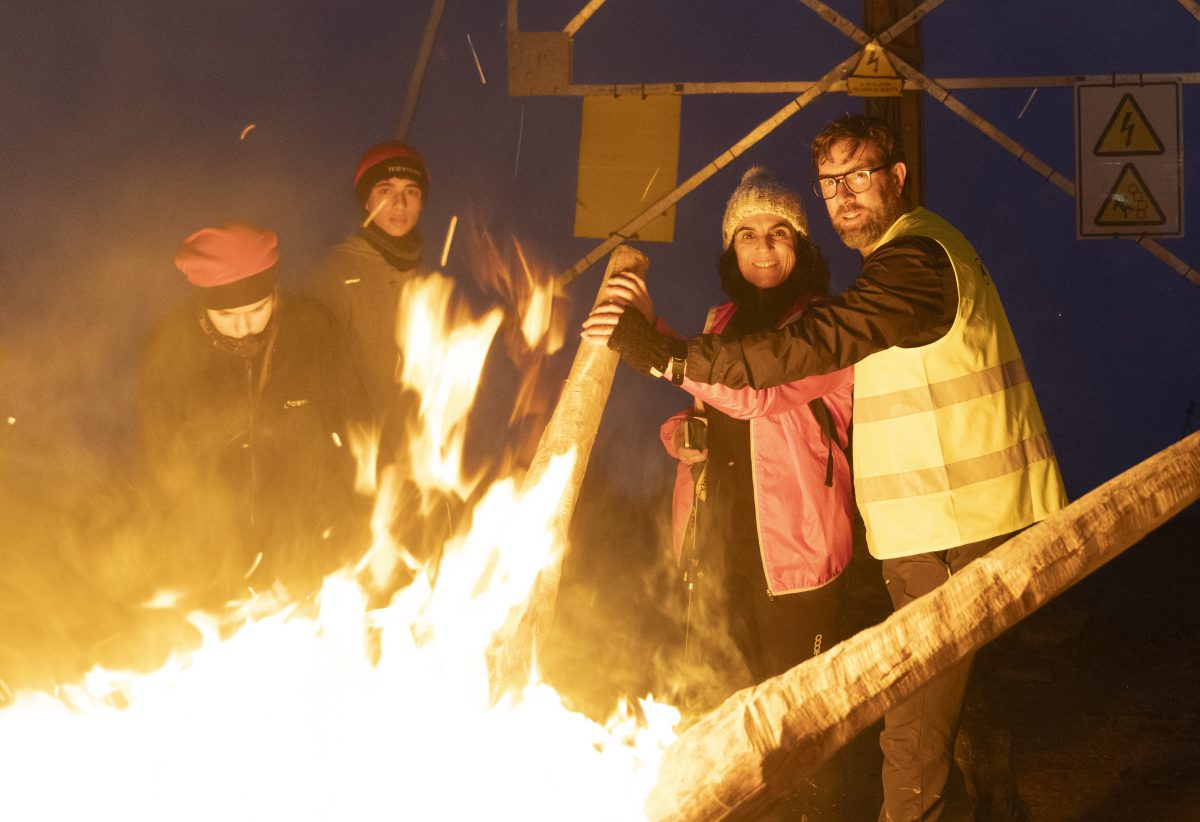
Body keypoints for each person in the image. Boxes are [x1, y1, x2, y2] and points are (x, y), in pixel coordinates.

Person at [585, 115, 1068, 821]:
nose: (844, 195)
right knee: (930, 712)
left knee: (903, 725)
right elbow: (722, 408)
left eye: (859, 176)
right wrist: (681, 419)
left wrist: (664, 350)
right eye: (831, 182)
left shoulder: (910, 265)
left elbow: (788, 368)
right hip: (904, 528)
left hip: (936, 527)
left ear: (896, 178)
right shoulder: (761, 309)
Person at [140, 223, 363, 605]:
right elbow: (163, 457)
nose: (244, 327)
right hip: (214, 544)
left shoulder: (312, 329)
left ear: (275, 292)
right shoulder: (170, 348)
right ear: (203, 305)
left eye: (258, 309)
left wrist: (347, 519)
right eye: (226, 314)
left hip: (305, 535)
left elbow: (353, 431)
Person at [309, 140, 430, 459]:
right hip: (361, 457)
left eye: (411, 192)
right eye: (386, 190)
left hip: (421, 455)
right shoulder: (336, 274)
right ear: (366, 200)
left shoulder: (430, 280)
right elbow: (319, 376)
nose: (400, 204)